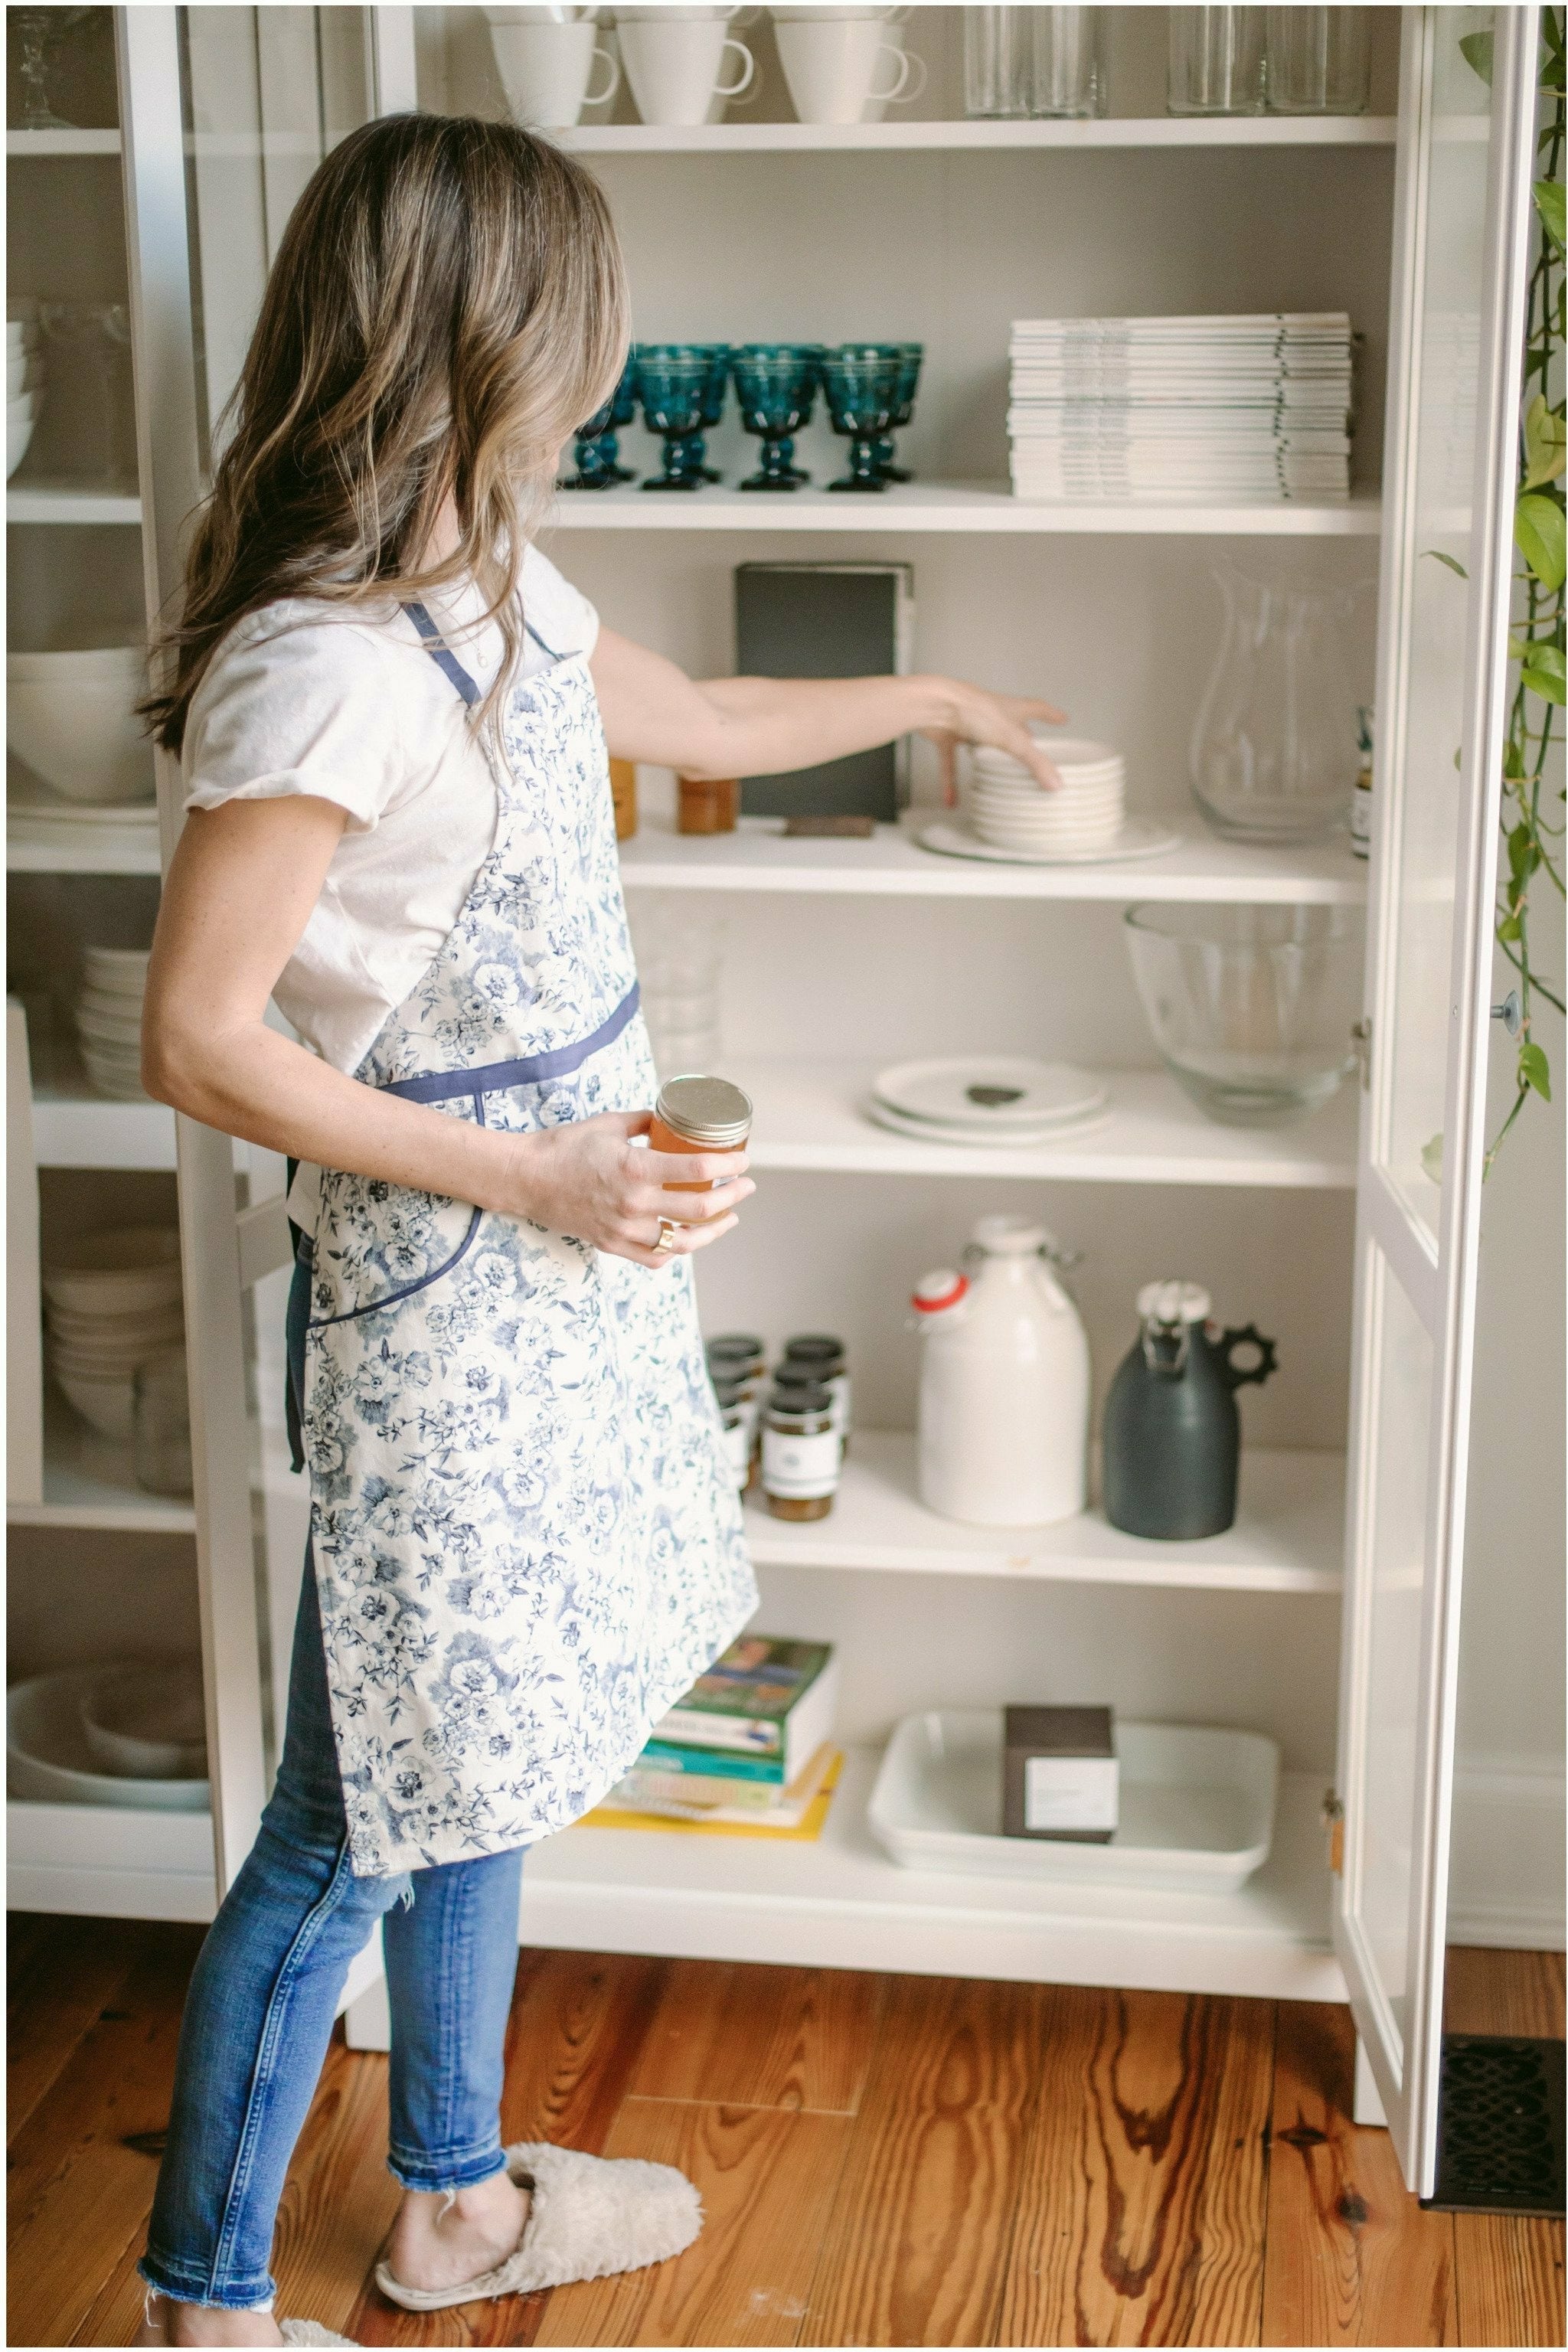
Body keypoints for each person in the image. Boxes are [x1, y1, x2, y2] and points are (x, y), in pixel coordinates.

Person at [133, 113, 1063, 2350]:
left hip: (549, 1275)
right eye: (587, 301)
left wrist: (944, 701)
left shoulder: (500, 579)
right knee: (350, 1829)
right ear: (494, 327)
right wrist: (544, 1176)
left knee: (500, 1754)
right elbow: (194, 1037)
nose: (610, 344)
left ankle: (453, 2204)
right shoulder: (330, 663)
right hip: (442, 1294)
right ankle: (203, 2301)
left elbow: (717, 720)